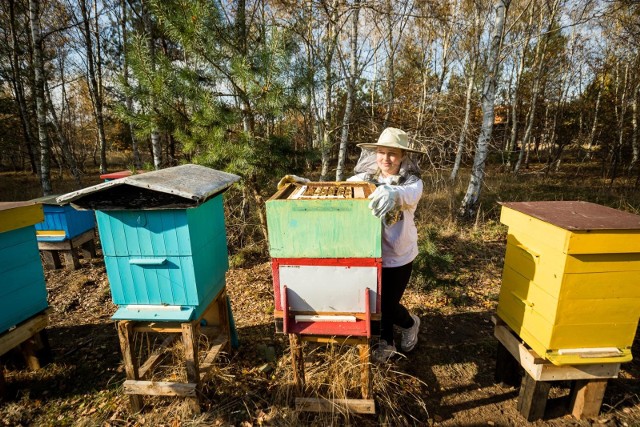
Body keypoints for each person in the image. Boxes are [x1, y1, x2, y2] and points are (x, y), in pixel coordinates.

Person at [348, 127, 424, 362]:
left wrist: (392, 193)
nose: (385, 159)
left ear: (402, 156)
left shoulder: (412, 183)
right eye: (382, 152)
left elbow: (407, 193)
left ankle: (410, 323)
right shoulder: (365, 178)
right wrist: (308, 186)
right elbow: (340, 188)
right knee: (375, 303)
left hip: (399, 254)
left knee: (388, 305)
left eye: (392, 154)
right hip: (369, 251)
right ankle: (387, 342)